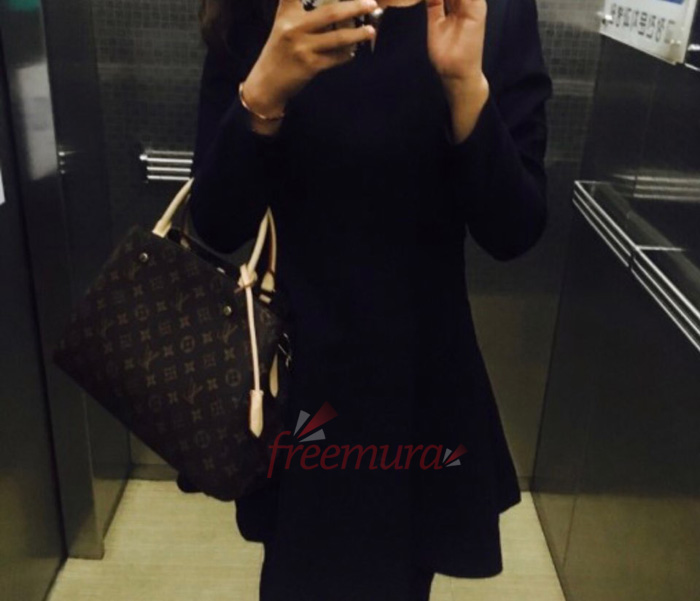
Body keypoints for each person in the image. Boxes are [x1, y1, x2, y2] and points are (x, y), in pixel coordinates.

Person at [182, 0, 553, 598]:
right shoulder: (264, 11)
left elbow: (513, 230)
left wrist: (465, 86)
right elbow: (218, 223)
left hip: (420, 384)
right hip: (295, 375)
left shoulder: (491, 11)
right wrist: (265, 91)